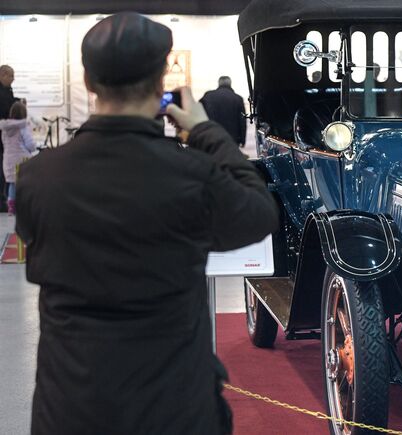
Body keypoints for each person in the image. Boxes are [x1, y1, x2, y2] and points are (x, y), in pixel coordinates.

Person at [15, 12, 279, 435]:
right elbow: (259, 215)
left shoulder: (38, 178)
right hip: (173, 407)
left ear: (87, 81)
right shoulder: (191, 174)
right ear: (161, 82)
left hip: (70, 405)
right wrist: (205, 132)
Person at [0, 101, 36, 214]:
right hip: (22, 159)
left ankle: (11, 205)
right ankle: (23, 205)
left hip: (8, 159)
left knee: (12, 183)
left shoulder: (5, 129)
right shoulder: (23, 127)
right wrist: (32, 149)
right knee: (23, 182)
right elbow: (30, 144)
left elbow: (4, 143)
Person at [200, 76, 247, 147]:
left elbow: (200, 116)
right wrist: (243, 140)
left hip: (211, 137)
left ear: (219, 83)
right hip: (231, 139)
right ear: (230, 84)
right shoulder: (238, 99)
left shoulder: (208, 96)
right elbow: (242, 121)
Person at [0, 64, 21, 212]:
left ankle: (5, 198)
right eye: (11, 76)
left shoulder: (7, 90)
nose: (13, 79)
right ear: (2, 75)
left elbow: (10, 102)